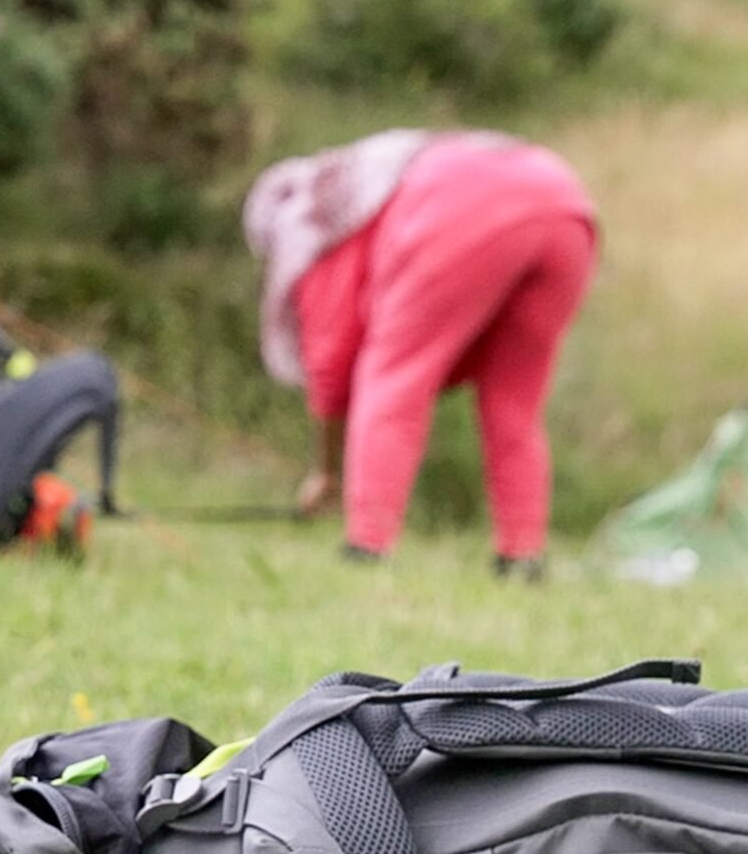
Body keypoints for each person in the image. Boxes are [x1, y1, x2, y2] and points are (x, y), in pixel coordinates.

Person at [244, 130, 597, 577]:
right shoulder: (365, 188)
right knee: (515, 405)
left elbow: (330, 369)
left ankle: (367, 547)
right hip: (565, 208)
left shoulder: (320, 234)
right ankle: (522, 556)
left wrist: (327, 475)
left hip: (466, 206)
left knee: (395, 379)